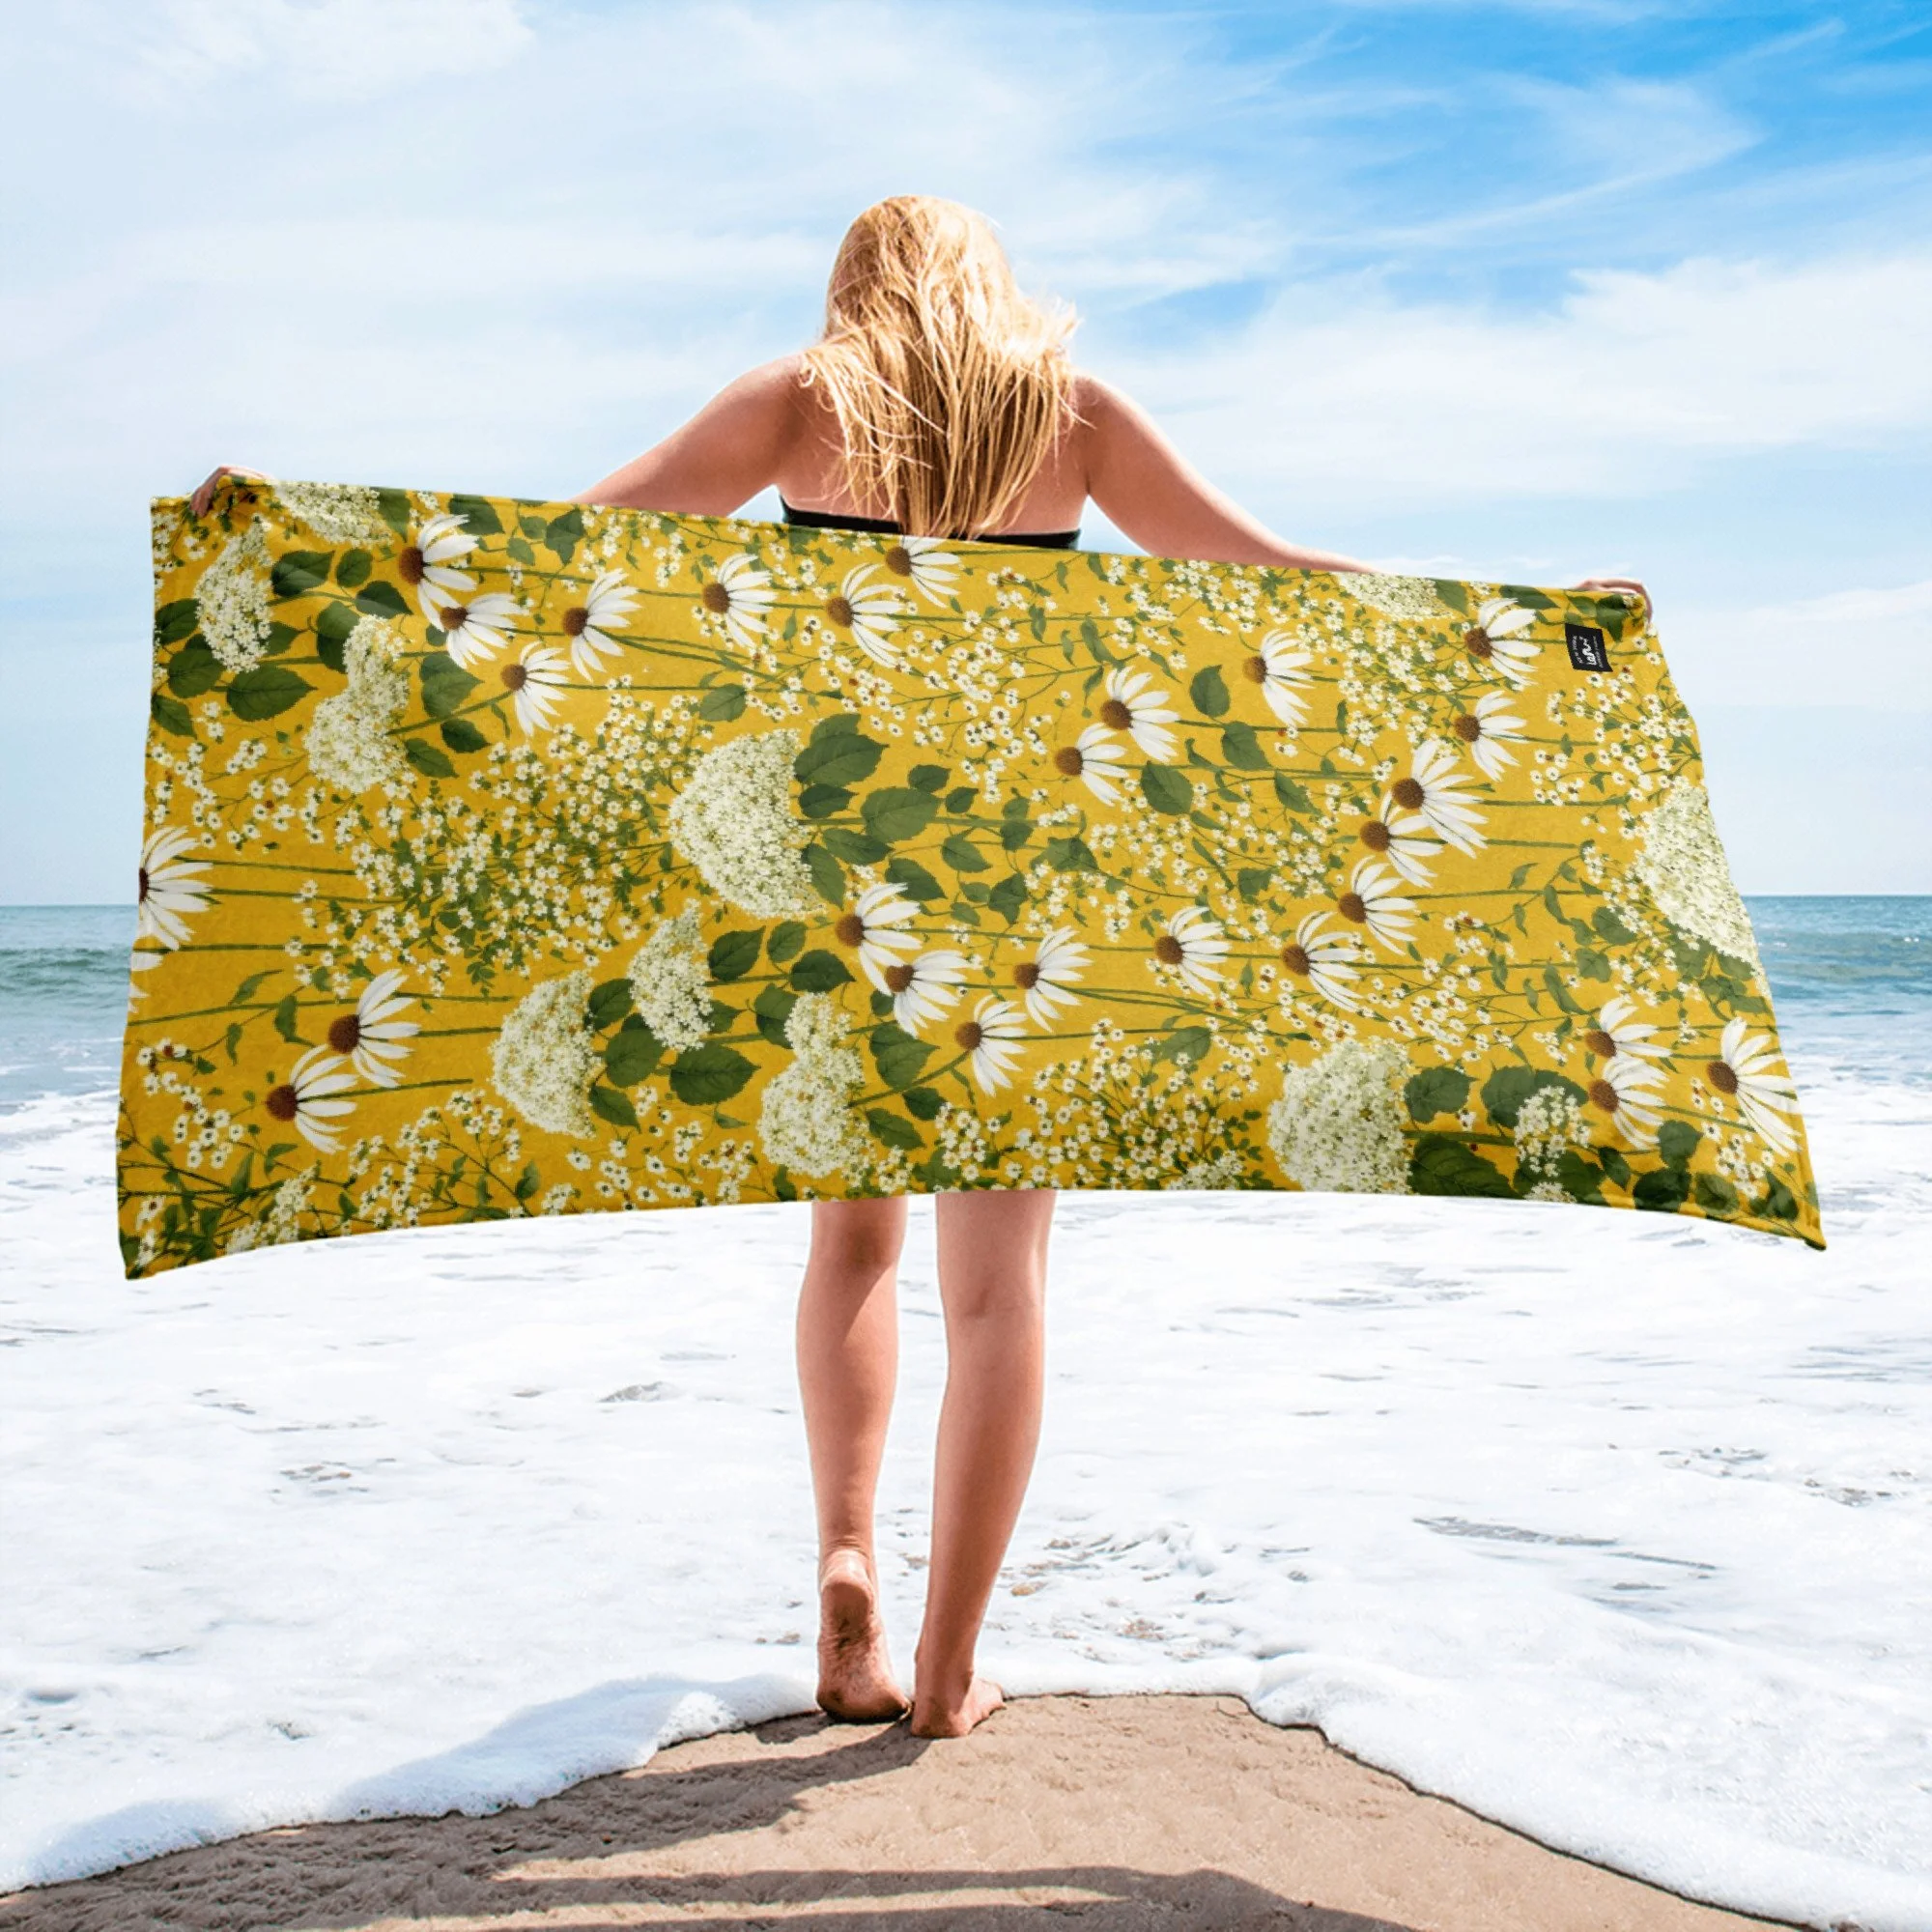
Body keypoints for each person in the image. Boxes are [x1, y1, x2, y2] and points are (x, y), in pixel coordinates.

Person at [190, 193, 1648, 1741]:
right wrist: (1542, 622)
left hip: (830, 890)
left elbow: (561, 549)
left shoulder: (798, 403)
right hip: (1018, 897)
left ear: (855, 286)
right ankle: (948, 1675)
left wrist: (288, 551)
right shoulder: (1071, 415)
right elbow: (1278, 574)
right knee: (1002, 1294)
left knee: (853, 1254)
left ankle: (843, 1565)